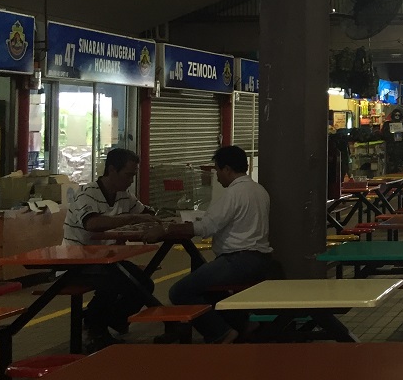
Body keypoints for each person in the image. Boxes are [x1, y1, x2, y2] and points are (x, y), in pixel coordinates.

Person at [168, 145, 274, 344]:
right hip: (260, 260)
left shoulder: (233, 194)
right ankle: (243, 324)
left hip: (238, 261)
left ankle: (221, 332)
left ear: (227, 169)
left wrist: (172, 229)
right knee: (210, 287)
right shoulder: (259, 190)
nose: (216, 176)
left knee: (179, 291)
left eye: (217, 170)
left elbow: (207, 227)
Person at [62, 147, 163, 352]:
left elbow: (146, 212)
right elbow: (92, 224)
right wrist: (133, 219)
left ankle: (111, 319)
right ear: (112, 170)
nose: (131, 181)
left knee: (143, 282)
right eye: (128, 175)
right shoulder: (86, 194)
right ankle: (95, 325)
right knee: (117, 280)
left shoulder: (124, 196)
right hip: (77, 260)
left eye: (133, 176)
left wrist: (154, 222)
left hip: (107, 260)